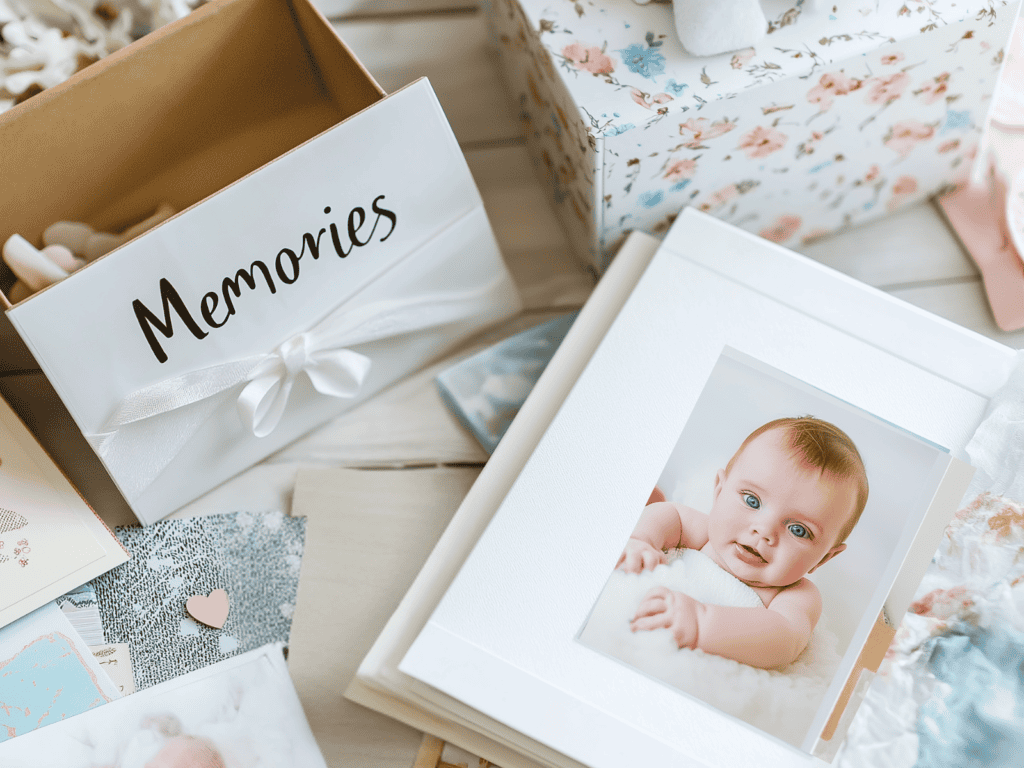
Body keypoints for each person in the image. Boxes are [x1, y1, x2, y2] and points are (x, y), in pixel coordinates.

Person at [617, 416, 869, 669]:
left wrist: (701, 622)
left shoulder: (795, 595)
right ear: (719, 490)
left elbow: (785, 639)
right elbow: (668, 513)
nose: (764, 531)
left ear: (824, 558)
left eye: (798, 530)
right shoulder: (704, 535)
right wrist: (641, 540)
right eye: (752, 501)